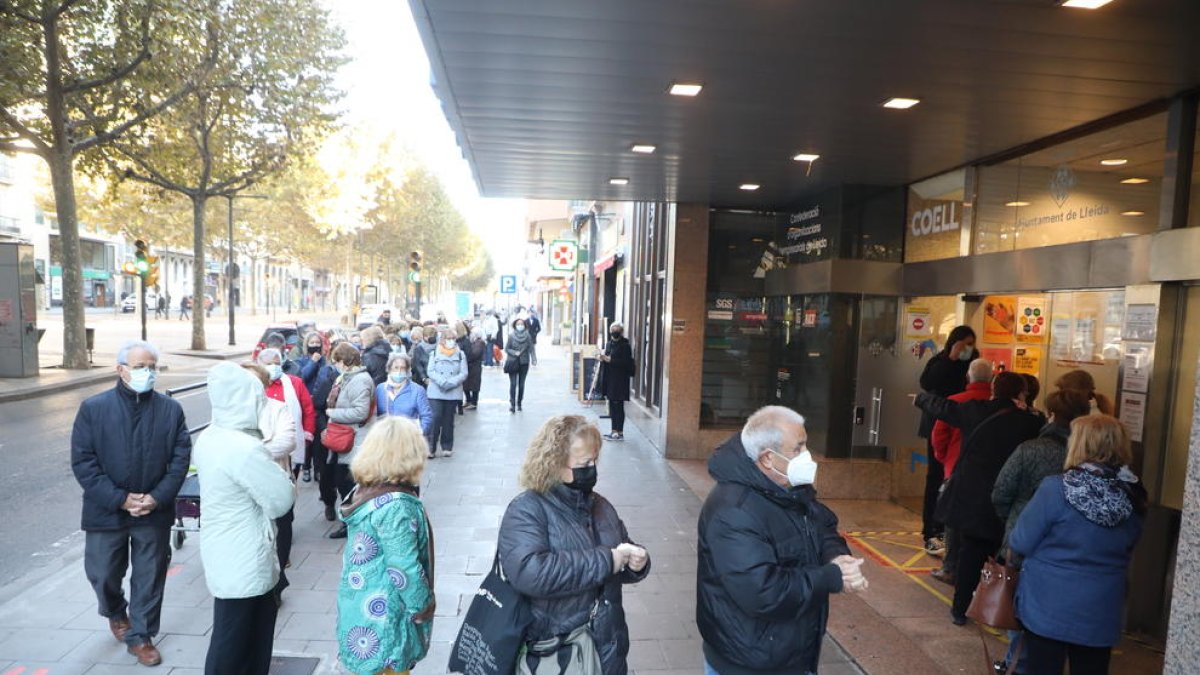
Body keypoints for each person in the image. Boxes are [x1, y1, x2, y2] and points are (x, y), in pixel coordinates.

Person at [697, 406, 863, 675]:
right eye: (798, 448)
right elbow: (763, 592)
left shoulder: (788, 486)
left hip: (792, 653)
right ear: (767, 459)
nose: (807, 456)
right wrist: (832, 576)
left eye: (805, 445)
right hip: (749, 662)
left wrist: (836, 556)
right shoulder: (733, 512)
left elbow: (821, 526)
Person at [71, 340, 191, 667]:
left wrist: (156, 497)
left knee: (150, 575)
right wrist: (120, 499)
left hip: (153, 511)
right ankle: (114, 611)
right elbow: (83, 462)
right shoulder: (94, 408)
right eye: (140, 367)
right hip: (105, 510)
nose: (147, 373)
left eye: (152, 367)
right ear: (120, 369)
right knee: (102, 573)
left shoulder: (171, 410)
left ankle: (141, 636)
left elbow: (180, 460)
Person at [498, 415, 650, 675]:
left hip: (607, 647)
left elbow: (620, 549)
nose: (592, 469)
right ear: (555, 465)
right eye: (584, 464)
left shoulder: (601, 506)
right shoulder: (526, 509)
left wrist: (636, 562)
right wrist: (608, 560)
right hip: (558, 652)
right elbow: (530, 572)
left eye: (594, 461)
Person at [1009, 415, 1146, 675]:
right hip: (1101, 607)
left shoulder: (1055, 489)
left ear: (1079, 444)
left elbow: (1020, 541)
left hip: (1047, 606)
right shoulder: (1133, 495)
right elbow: (1131, 542)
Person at [915, 371, 1043, 626]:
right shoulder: (1030, 423)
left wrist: (920, 398)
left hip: (975, 497)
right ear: (1021, 394)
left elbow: (944, 408)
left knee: (971, 554)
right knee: (1005, 557)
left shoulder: (976, 410)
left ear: (994, 390)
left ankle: (960, 609)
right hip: (1010, 498)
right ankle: (1002, 608)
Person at [193, 363, 296, 675]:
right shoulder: (243, 448)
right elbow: (281, 499)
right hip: (246, 555)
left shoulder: (211, 437)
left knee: (231, 631)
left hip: (225, 549)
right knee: (242, 639)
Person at [990, 388, 1092, 675]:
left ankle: (1017, 661)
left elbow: (1001, 492)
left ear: (1051, 414)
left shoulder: (1030, 449)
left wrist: (1011, 519)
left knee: (1021, 606)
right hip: (1073, 552)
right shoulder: (1089, 457)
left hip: (1025, 540)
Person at [336, 417, 436, 675]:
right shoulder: (397, 505)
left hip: (362, 608)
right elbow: (403, 567)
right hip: (388, 620)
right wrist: (424, 605)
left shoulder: (365, 492)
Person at [928, 357, 994, 585]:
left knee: (953, 521)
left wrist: (944, 459)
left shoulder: (955, 402)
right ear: (992, 378)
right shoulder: (995, 404)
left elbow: (938, 437)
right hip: (987, 471)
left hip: (955, 468)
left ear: (968, 377)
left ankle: (950, 567)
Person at [916, 325, 977, 557]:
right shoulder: (939, 361)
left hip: (962, 428)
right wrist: (951, 358)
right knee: (935, 477)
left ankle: (948, 529)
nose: (968, 349)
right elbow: (927, 382)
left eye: (971, 344)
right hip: (939, 426)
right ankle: (931, 530)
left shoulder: (973, 363)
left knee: (956, 478)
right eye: (965, 344)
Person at [326, 342, 377, 539]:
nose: (335, 365)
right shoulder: (346, 378)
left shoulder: (360, 380)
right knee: (343, 482)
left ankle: (353, 524)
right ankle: (351, 522)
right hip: (346, 439)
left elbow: (360, 412)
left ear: (344, 361)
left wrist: (333, 414)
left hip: (355, 440)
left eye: (336, 361)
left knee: (349, 484)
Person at [425, 327, 468, 458]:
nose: (451, 341)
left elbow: (464, 373)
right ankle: (431, 447)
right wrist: (442, 381)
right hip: (436, 390)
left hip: (453, 390)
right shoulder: (434, 353)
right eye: (448, 338)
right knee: (435, 417)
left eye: (453, 339)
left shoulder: (460, 354)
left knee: (448, 420)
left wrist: (452, 382)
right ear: (442, 340)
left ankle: (447, 446)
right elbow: (430, 371)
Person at [376, 353, 434, 440]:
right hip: (385, 439)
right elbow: (376, 415)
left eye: (402, 368)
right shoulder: (380, 389)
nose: (399, 371)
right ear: (389, 369)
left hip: (409, 439)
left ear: (407, 370)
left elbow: (427, 416)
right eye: (396, 367)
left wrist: (419, 434)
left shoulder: (417, 390)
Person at [599, 322, 635, 442]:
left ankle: (619, 432)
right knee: (612, 406)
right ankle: (614, 431)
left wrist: (610, 360)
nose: (615, 332)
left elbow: (626, 363)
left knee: (618, 406)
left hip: (620, 380)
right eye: (613, 330)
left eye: (617, 330)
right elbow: (607, 358)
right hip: (609, 379)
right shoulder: (609, 344)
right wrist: (602, 358)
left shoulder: (625, 346)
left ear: (621, 332)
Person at [505, 316, 533, 413]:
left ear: (524, 326)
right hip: (513, 362)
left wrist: (534, 359)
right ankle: (512, 404)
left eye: (521, 324)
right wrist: (514, 352)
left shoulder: (528, 336)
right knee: (513, 384)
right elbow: (507, 348)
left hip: (524, 363)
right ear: (515, 326)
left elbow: (531, 348)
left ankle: (519, 403)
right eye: (518, 324)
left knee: (521, 384)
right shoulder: (511, 336)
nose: (520, 326)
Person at [463, 327, 486, 410]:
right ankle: (468, 400)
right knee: (467, 384)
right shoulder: (473, 342)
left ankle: (473, 402)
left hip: (475, 367)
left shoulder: (479, 343)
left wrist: (467, 355)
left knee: (474, 386)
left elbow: (474, 354)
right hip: (471, 367)